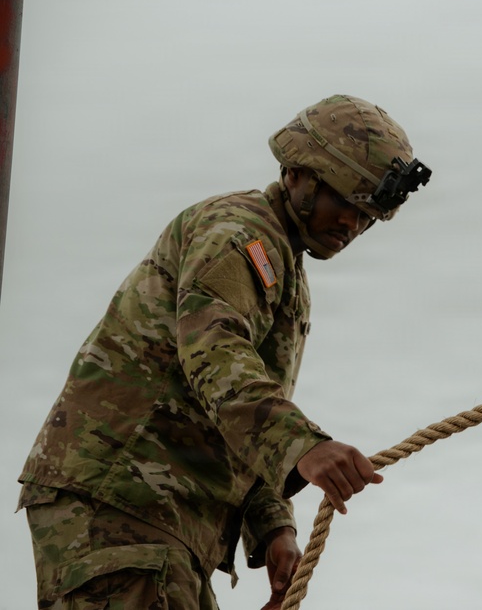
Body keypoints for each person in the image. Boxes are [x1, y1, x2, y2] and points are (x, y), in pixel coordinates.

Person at [17, 94, 431, 609]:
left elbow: (235, 417)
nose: (352, 224)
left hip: (160, 521)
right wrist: (304, 446)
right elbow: (214, 354)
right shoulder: (240, 233)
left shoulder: (281, 262)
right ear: (297, 174)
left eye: (366, 214)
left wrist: (272, 526)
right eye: (344, 202)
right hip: (123, 509)